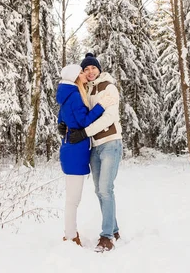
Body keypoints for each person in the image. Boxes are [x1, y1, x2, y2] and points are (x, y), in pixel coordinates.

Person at [68, 53, 123, 252]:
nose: (90, 72)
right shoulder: (85, 90)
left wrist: (84, 133)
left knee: (105, 190)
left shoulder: (109, 87)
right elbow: (82, 115)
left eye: (93, 68)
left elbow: (109, 117)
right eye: (86, 69)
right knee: (100, 191)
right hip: (95, 146)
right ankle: (114, 229)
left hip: (110, 143)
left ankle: (107, 237)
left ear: (99, 69)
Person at [56, 64, 114, 247]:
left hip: (72, 149)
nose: (84, 74)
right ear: (75, 77)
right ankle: (71, 236)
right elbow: (83, 121)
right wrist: (100, 106)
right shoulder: (74, 95)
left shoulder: (68, 94)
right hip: (75, 151)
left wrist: (62, 126)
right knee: (73, 199)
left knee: (73, 198)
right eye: (81, 72)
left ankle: (71, 234)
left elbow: (62, 118)